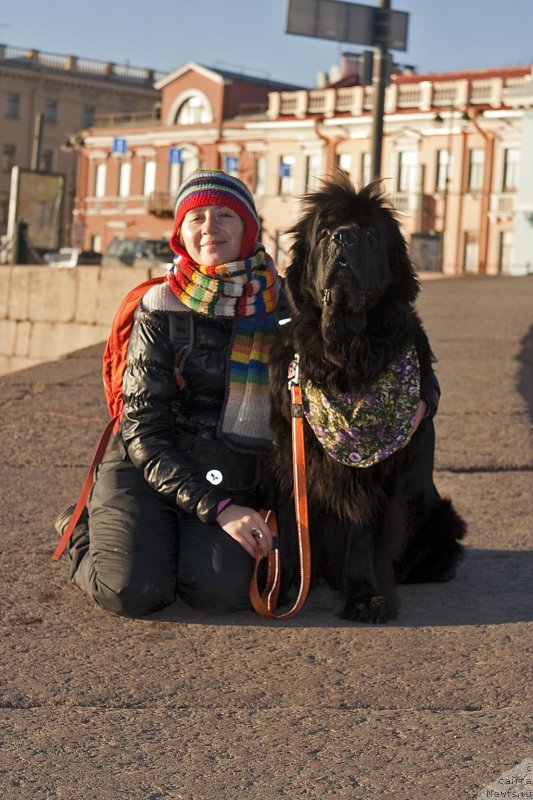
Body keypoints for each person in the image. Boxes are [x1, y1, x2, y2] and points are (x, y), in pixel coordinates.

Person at [55, 169, 280, 617]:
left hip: (225, 467)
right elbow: (143, 430)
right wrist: (218, 510)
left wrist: (423, 394)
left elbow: (359, 354)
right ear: (181, 233)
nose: (209, 227)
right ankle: (81, 528)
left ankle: (170, 538)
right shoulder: (160, 306)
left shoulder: (282, 307)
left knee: (219, 592)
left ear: (249, 229)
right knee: (133, 592)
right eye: (196, 218)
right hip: (146, 462)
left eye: (223, 216)